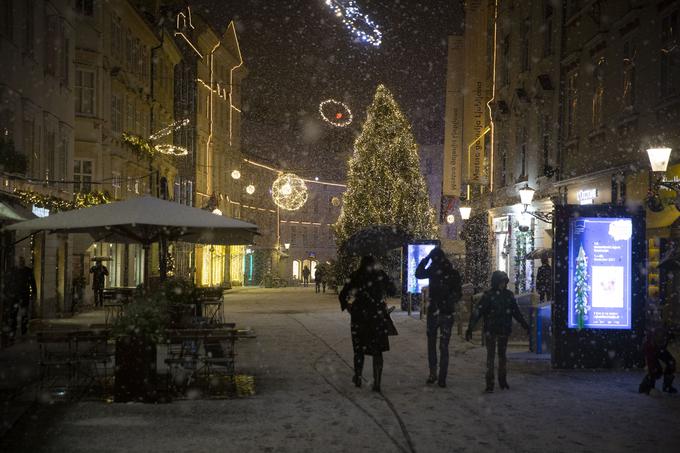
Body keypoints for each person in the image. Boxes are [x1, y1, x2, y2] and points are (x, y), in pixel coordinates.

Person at [466, 270, 530, 393]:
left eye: (504, 282)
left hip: (501, 329)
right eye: (501, 282)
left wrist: (524, 324)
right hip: (493, 329)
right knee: (492, 356)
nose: (503, 284)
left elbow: (516, 312)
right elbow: (477, 312)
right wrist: (470, 327)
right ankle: (491, 382)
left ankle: (502, 380)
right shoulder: (491, 296)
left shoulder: (503, 295)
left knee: (501, 356)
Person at [339, 256, 396, 392]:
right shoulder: (380, 275)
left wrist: (349, 307)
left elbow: (343, 295)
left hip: (360, 317)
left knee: (359, 349)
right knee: (378, 351)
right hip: (377, 316)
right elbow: (393, 290)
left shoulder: (356, 275)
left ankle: (358, 376)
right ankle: (377, 382)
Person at [415, 247, 462, 387]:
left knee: (431, 344)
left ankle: (433, 373)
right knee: (444, 346)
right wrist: (449, 300)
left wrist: (426, 259)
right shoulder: (452, 272)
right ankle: (442, 377)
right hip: (447, 313)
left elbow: (418, 273)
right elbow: (458, 293)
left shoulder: (433, 271)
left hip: (434, 312)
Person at [639, 324, 676, 394]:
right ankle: (645, 387)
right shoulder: (649, 345)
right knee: (656, 370)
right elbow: (651, 366)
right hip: (651, 350)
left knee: (671, 363)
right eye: (660, 340)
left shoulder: (666, 335)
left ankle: (667, 386)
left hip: (659, 350)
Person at [8, 257, 36, 340]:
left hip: (24, 296)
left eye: (22, 262)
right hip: (15, 296)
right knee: (13, 314)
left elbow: (33, 284)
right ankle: (13, 331)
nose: (21, 263)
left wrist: (34, 294)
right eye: (20, 262)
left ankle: (23, 331)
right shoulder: (14, 271)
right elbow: (9, 282)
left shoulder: (28, 271)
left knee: (24, 314)